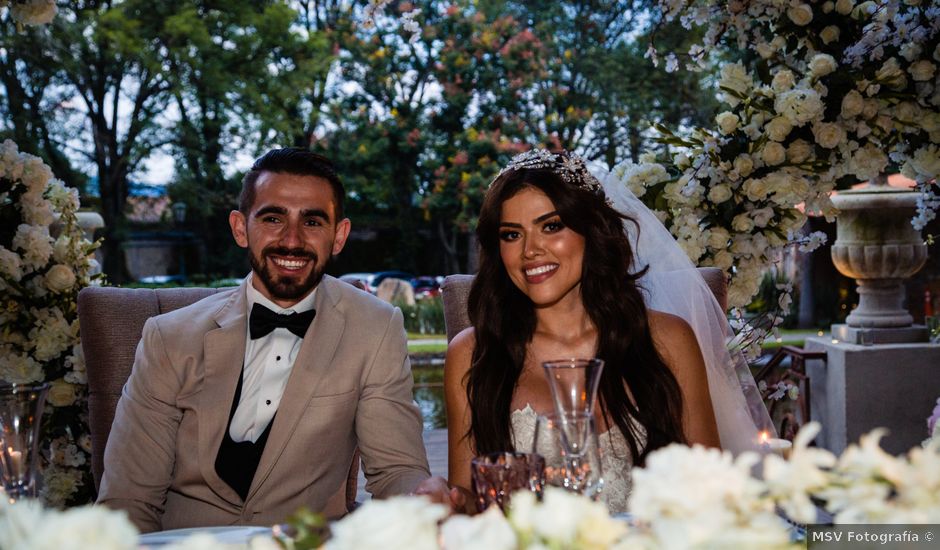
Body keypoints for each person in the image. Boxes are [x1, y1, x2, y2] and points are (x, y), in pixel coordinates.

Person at [98, 148, 432, 532]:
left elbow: (397, 471)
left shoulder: (375, 327)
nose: (292, 240)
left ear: (339, 236)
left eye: (312, 221)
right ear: (241, 228)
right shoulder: (169, 338)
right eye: (273, 218)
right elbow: (128, 500)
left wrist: (422, 499)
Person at [428, 149, 769, 514]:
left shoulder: (667, 340)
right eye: (512, 234)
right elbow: (469, 503)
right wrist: (447, 499)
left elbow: (710, 493)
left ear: (591, 232)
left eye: (552, 226)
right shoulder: (472, 354)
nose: (530, 250)